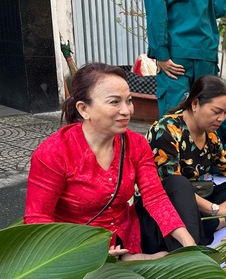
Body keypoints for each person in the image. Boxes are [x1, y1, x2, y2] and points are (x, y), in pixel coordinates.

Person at [24, 63, 196, 259]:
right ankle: (128, 263)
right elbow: (37, 221)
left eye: (129, 100)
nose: (127, 110)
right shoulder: (54, 152)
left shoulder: (136, 144)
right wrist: (90, 255)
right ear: (83, 109)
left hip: (127, 234)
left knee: (178, 186)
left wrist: (187, 241)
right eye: (115, 102)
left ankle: (178, 257)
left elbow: (154, 197)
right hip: (75, 249)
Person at [145, 75, 226, 249]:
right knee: (180, 186)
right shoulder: (164, 130)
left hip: (197, 194)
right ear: (195, 104)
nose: (222, 118)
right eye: (216, 112)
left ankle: (215, 222)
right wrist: (216, 209)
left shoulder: (210, 134)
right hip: (170, 202)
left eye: (225, 113)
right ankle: (211, 225)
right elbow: (172, 188)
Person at [142, 0, 226, 117]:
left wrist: (161, 54)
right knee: (207, 115)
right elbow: (221, 7)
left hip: (174, 55)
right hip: (206, 52)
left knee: (174, 119)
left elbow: (156, 10)